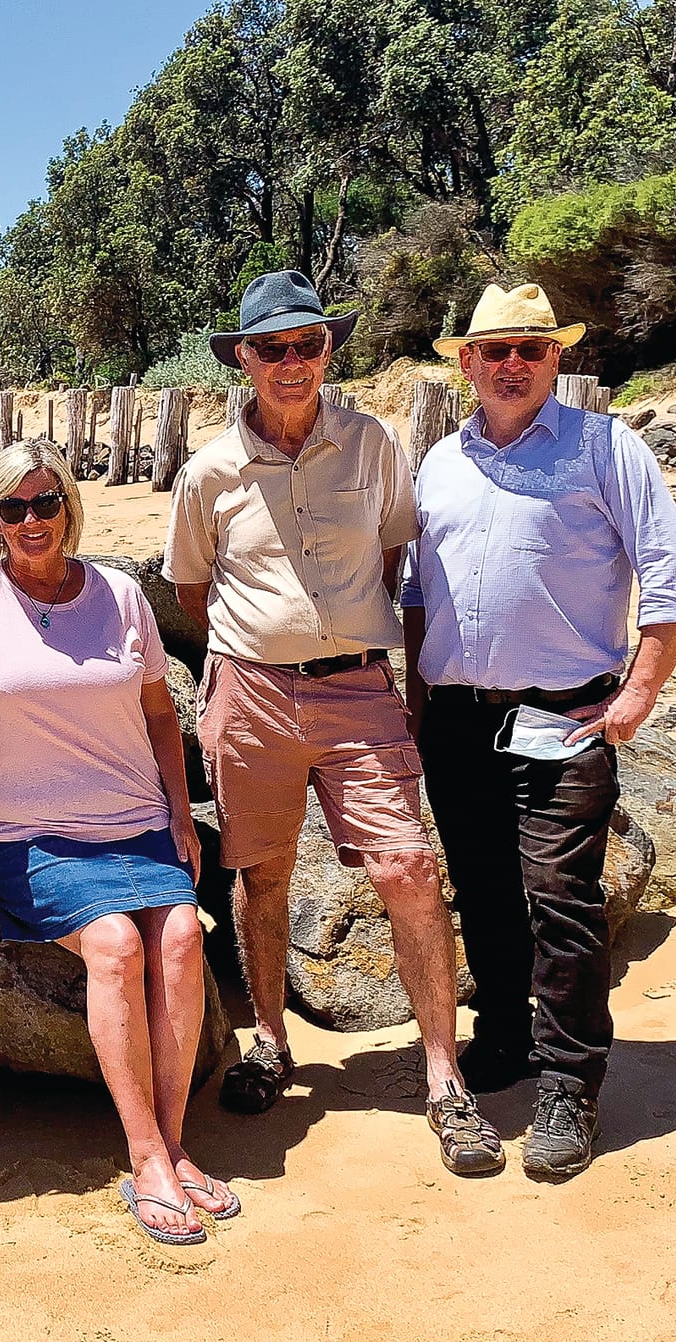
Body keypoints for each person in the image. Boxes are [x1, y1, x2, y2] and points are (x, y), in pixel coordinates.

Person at [162, 270, 502, 1176]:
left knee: (409, 867)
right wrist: (260, 653)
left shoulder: (374, 444)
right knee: (260, 872)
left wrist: (342, 641)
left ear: (328, 349)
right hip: (251, 693)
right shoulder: (207, 470)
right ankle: (271, 1040)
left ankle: (443, 1075)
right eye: (271, 348)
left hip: (356, 687)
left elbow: (394, 554)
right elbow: (193, 590)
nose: (291, 362)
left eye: (307, 344)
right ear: (242, 358)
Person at [404, 282, 676, 1178]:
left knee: (562, 902)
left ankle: (570, 1088)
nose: (511, 364)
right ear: (465, 363)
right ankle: (504, 1038)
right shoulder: (438, 464)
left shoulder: (605, 447)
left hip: (563, 716)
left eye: (530, 349)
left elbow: (673, 573)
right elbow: (420, 590)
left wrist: (636, 696)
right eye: (494, 349)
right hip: (459, 720)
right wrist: (421, 702)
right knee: (486, 892)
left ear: (556, 360)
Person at [0, 439, 231, 1245]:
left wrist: (181, 814)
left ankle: (178, 1139)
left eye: (44, 503)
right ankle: (147, 1153)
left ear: (68, 509)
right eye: (11, 508)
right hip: (24, 834)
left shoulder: (121, 594)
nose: (30, 521)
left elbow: (164, 713)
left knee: (185, 935)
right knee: (117, 944)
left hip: (134, 822)